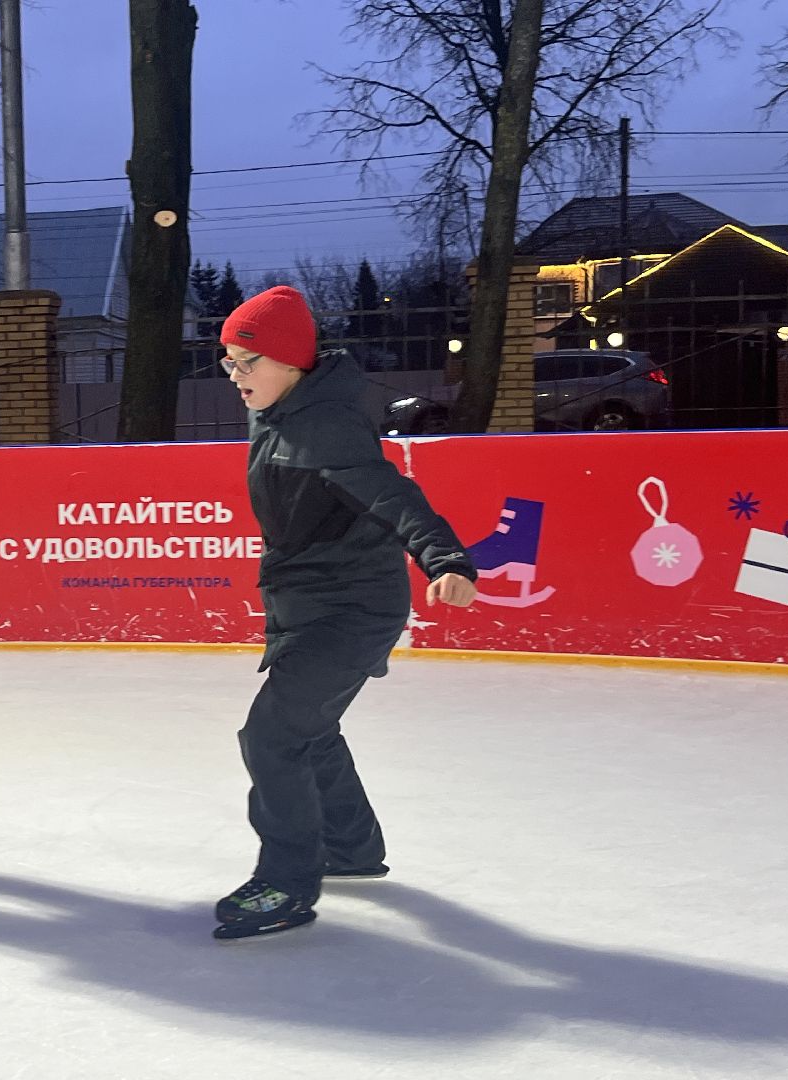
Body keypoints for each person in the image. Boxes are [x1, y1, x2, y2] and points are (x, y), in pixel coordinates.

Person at [213, 285, 478, 941]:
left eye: (247, 362)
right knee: (310, 728)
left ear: (289, 361)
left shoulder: (324, 423)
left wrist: (447, 561)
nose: (235, 377)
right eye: (227, 363)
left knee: (273, 736)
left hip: (353, 608)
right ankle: (352, 848)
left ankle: (286, 882)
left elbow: (394, 496)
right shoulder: (278, 405)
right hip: (310, 602)